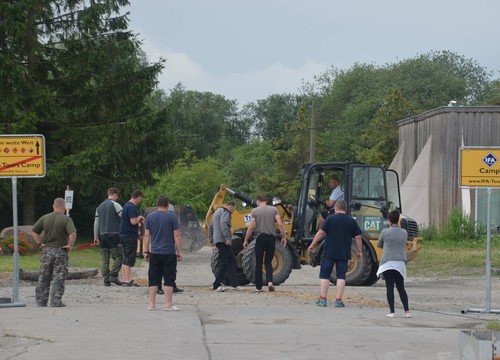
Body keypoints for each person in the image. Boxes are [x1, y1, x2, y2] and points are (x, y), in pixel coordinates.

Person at [308, 200, 362, 308]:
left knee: (325, 275)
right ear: (345, 209)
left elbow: (321, 232)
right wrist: (360, 251)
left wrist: (312, 244)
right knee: (341, 276)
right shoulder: (351, 221)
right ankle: (338, 301)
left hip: (329, 252)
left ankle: (323, 300)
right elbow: (358, 237)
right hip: (344, 253)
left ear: (336, 208)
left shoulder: (330, 218)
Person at [31, 198, 77, 307]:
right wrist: (69, 245)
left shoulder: (45, 218)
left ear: (53, 206)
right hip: (60, 251)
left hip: (47, 250)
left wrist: (39, 244)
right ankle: (55, 301)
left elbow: (34, 231)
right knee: (59, 276)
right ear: (64, 207)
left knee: (44, 275)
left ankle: (41, 300)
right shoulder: (66, 219)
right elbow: (73, 233)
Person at [143, 195, 182, 311]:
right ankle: (168, 304)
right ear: (168, 204)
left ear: (157, 204)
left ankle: (151, 304)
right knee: (169, 278)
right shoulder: (172, 217)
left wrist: (146, 251)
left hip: (155, 252)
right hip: (169, 253)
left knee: (153, 278)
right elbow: (177, 235)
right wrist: (179, 251)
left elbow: (146, 236)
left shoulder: (150, 217)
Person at [243, 194, 287, 293]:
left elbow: (251, 227)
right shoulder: (274, 210)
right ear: (266, 201)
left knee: (259, 263)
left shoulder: (255, 211)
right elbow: (280, 224)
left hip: (260, 238)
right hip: (271, 238)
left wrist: (246, 239)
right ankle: (270, 282)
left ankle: (258, 287)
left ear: (258, 201)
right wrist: (284, 237)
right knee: (268, 262)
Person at [376, 209, 411, 318]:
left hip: (388, 262)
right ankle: (407, 311)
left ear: (389, 220)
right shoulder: (404, 232)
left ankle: (392, 312)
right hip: (400, 262)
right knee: (401, 287)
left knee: (389, 287)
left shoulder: (385, 232)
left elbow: (379, 245)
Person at [209, 201, 241, 292]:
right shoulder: (225, 212)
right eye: (233, 209)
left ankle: (235, 284)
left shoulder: (216, 212)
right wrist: (228, 238)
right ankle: (216, 284)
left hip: (218, 240)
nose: (233, 211)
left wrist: (212, 241)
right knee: (223, 262)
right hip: (223, 241)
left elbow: (210, 227)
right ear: (230, 206)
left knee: (232, 261)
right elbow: (224, 223)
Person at [93, 187, 123, 286]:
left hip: (102, 235)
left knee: (105, 260)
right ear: (114, 195)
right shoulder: (115, 205)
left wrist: (96, 236)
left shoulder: (99, 207)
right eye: (116, 196)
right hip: (114, 235)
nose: (117, 198)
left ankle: (106, 280)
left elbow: (96, 223)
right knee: (118, 256)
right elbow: (124, 217)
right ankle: (113, 275)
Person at [120, 190, 145, 287]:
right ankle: (127, 280)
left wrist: (137, 232)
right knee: (129, 258)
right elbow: (133, 221)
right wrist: (140, 217)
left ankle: (124, 279)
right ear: (138, 197)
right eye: (141, 198)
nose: (140, 200)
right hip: (129, 236)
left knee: (125, 257)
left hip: (124, 235)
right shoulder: (131, 207)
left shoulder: (126, 205)